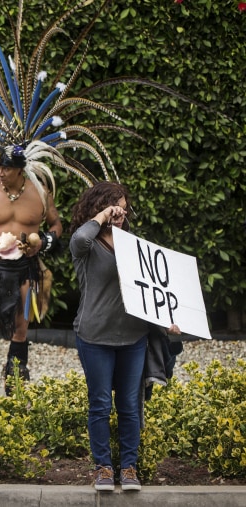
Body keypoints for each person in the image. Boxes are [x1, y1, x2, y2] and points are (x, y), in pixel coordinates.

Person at [70, 181, 181, 492]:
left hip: (133, 339)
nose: (120, 212)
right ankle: (103, 468)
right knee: (100, 404)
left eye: (122, 207)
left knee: (130, 406)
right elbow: (79, 236)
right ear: (99, 208)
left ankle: (129, 467)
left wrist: (168, 321)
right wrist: (104, 216)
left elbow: (155, 290)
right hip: (94, 337)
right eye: (113, 206)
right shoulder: (86, 246)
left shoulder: (135, 246)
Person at [0, 144, 62, 395]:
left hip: (26, 268)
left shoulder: (40, 193)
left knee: (21, 328)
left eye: (6, 167)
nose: (0, 172)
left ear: (20, 169)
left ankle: (15, 388)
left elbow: (56, 225)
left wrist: (42, 244)